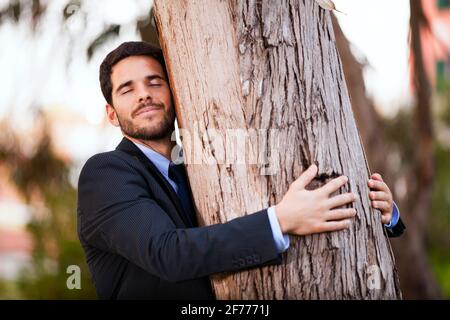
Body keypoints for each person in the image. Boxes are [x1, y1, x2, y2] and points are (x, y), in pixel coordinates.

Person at [77, 41, 405, 300]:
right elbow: (169, 253)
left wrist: (380, 212)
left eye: (154, 82)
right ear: (111, 114)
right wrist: (281, 220)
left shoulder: (200, 165)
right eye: (127, 89)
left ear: (174, 93)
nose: (144, 94)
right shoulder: (105, 174)